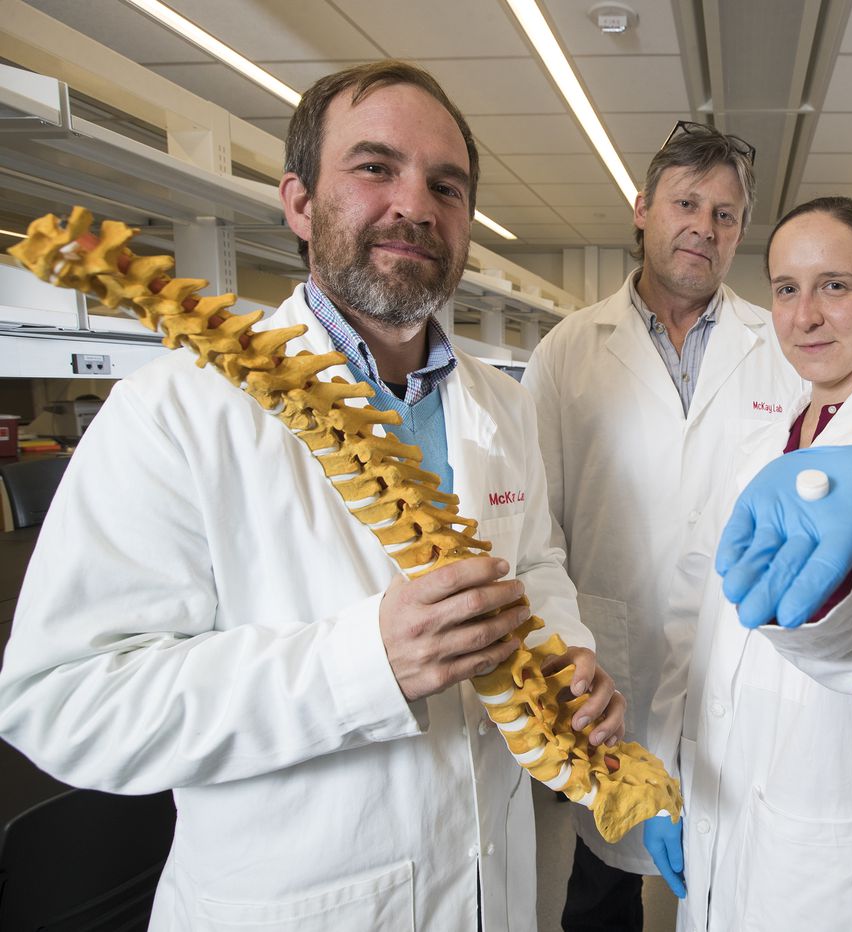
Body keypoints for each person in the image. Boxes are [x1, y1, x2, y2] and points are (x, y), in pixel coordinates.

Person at [0, 61, 622, 931]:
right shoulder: (175, 410)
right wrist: (363, 666)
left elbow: (538, 561)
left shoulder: (504, 404)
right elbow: (63, 699)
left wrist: (571, 652)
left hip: (495, 891)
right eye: (375, 168)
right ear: (299, 203)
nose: (415, 203)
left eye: (446, 184)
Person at [644, 197, 852, 931]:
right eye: (786, 289)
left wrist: (846, 572)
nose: (805, 315)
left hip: (823, 807)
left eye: (835, 285)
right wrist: (663, 766)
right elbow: (692, 619)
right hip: (715, 787)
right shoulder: (756, 447)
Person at [523, 121, 803, 929]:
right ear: (642, 209)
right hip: (609, 679)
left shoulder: (776, 347)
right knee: (600, 894)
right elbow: (540, 534)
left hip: (740, 674)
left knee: (731, 889)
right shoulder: (569, 353)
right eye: (686, 203)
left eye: (725, 214)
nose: (703, 228)